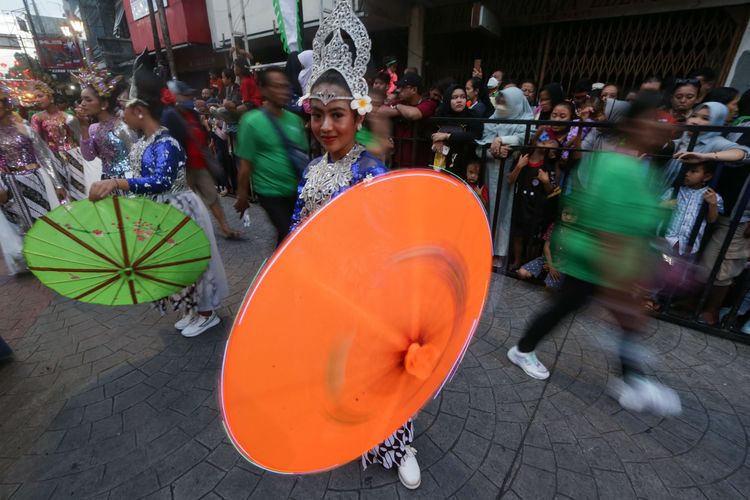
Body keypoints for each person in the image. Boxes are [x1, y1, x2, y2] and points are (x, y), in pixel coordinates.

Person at [294, 4, 420, 482]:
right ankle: (354, 431)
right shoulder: (312, 169)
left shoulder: (370, 170)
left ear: (357, 116)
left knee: (381, 373)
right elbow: (298, 226)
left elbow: (386, 241)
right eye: (318, 115)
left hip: (368, 293)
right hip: (326, 292)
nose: (325, 126)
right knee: (340, 371)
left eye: (337, 115)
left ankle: (401, 446)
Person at [506, 94, 682, 417]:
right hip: (598, 259)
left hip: (609, 261)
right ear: (632, 127)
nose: (659, 129)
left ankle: (632, 381)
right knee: (588, 311)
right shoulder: (618, 166)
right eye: (652, 121)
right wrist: (621, 276)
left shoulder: (638, 164)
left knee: (602, 315)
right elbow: (610, 225)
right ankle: (524, 349)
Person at [87, 68, 228, 339]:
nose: (121, 115)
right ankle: (192, 308)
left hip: (179, 211)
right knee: (174, 265)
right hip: (161, 211)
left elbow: (161, 181)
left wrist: (117, 184)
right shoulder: (144, 142)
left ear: (140, 111)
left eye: (124, 108)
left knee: (192, 263)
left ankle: (206, 314)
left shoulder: (166, 142)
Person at [235, 67, 308, 246]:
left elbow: (303, 155)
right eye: (277, 86)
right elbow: (245, 166)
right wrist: (242, 197)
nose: (283, 91)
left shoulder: (295, 120)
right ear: (263, 90)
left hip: (297, 190)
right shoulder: (250, 121)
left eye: (285, 86)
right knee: (287, 233)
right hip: (270, 192)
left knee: (297, 233)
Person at [163, 80, 240, 240]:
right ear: (175, 96)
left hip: (199, 164)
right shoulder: (169, 116)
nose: (189, 98)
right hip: (183, 169)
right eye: (185, 95)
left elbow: (202, 135)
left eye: (190, 95)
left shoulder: (193, 114)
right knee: (184, 202)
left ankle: (225, 227)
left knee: (212, 197)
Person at [0, 83, 66, 236]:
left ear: (5, 103)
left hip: (38, 179)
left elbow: (44, 156)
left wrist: (57, 184)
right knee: (29, 229)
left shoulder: (24, 127)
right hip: (12, 186)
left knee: (52, 222)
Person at [479, 86, 534, 266]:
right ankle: (485, 248)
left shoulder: (526, 119)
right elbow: (480, 147)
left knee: (505, 211)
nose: (501, 106)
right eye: (500, 102)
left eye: (505, 102)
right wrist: (493, 151)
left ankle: (500, 253)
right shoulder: (492, 119)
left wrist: (503, 140)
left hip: (512, 173)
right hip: (490, 171)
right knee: (488, 208)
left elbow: (525, 137)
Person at [663, 102, 750, 189]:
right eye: (693, 116)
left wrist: (705, 156)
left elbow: (744, 153)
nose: (695, 121)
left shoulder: (715, 142)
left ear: (716, 122)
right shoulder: (684, 137)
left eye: (705, 118)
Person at [507, 130, 559, 270]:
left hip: (538, 207)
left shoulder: (548, 165)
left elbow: (551, 191)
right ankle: (517, 261)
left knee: (533, 238)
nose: (545, 143)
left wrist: (546, 181)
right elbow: (510, 180)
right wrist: (519, 166)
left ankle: (529, 264)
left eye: (549, 141)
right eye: (543, 140)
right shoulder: (523, 158)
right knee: (518, 235)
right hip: (521, 203)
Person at [75, 69, 137, 180]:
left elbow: (138, 157)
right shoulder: (93, 129)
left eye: (88, 100)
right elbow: (89, 157)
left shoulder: (122, 127)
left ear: (104, 104)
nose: (82, 104)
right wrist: (84, 127)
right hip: (108, 182)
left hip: (129, 181)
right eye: (82, 99)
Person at [29, 81, 86, 200]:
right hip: (53, 158)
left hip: (74, 156)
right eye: (35, 97)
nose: (37, 100)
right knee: (63, 195)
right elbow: (37, 144)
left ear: (51, 97)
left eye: (40, 96)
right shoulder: (37, 118)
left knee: (80, 189)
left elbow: (79, 137)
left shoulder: (68, 116)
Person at [378, 73, 438, 168]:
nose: (398, 90)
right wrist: (402, 111)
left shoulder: (428, 103)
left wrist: (397, 107)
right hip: (398, 161)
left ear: (414, 90)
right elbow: (380, 110)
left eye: (403, 87)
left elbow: (413, 114)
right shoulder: (402, 102)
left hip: (419, 163)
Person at [662, 163, 723, 256]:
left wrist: (713, 204)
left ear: (706, 177)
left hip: (690, 245)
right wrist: (665, 205)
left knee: (679, 268)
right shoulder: (674, 191)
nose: (687, 173)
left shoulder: (712, 196)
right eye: (686, 170)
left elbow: (712, 220)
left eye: (693, 171)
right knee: (664, 264)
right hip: (667, 240)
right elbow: (658, 208)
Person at [430, 85, 482, 177]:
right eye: (454, 97)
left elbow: (476, 134)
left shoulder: (471, 115)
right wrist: (436, 138)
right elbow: (426, 131)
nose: (459, 100)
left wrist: (447, 136)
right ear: (447, 99)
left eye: (463, 97)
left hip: (463, 163)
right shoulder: (440, 114)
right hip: (441, 162)